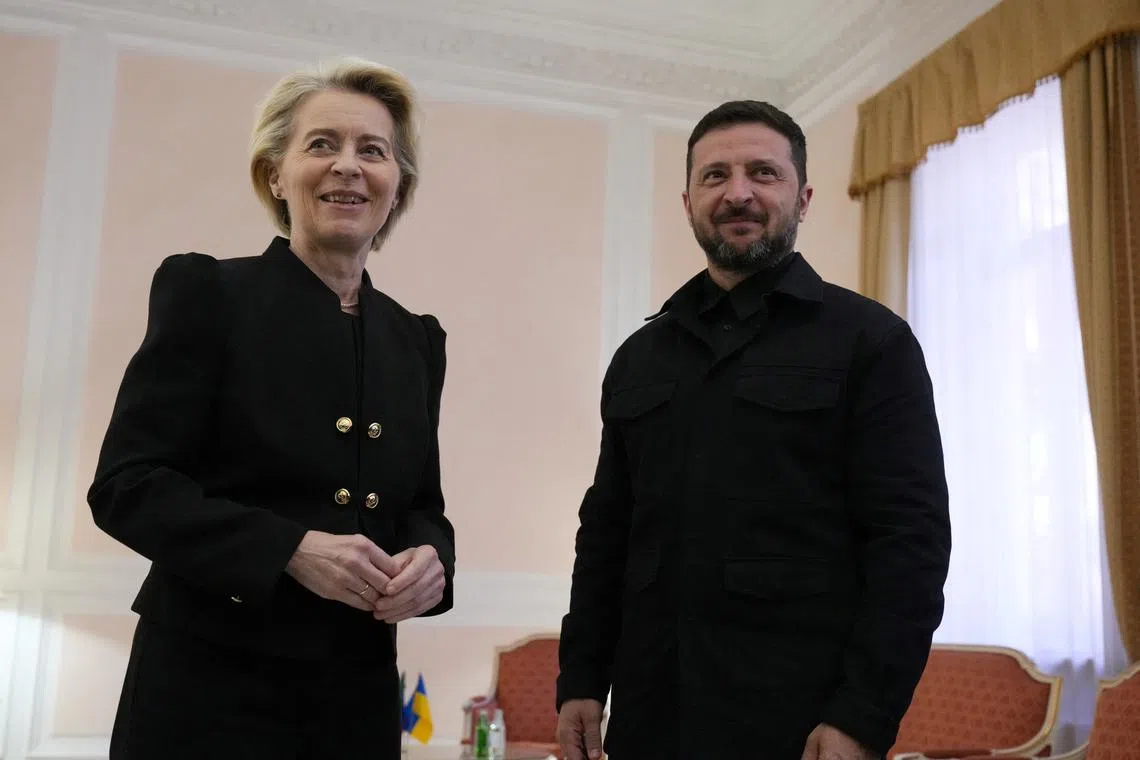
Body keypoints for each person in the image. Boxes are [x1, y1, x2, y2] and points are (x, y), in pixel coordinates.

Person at [555, 100, 951, 760]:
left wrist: (862, 716)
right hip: (650, 719)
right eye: (715, 176)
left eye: (763, 173)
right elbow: (607, 535)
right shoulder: (640, 358)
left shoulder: (872, 343)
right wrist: (581, 680)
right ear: (688, 203)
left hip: (796, 725)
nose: (737, 192)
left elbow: (908, 545)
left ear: (803, 197)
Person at [87, 57, 455, 760]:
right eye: (322, 144)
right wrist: (287, 548)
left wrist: (434, 558)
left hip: (356, 697)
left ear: (396, 187)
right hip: (206, 690)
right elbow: (127, 486)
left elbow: (421, 504)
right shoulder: (207, 293)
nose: (349, 166)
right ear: (276, 175)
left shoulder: (417, 339)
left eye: (372, 151)